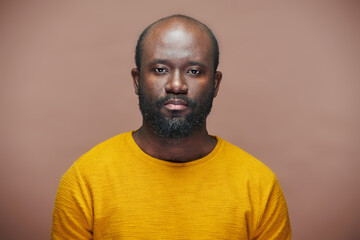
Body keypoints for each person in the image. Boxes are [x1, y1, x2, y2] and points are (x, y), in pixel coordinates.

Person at [52, 14, 291, 239]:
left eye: (194, 71)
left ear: (215, 84)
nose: (176, 85)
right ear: (137, 80)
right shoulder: (85, 181)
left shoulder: (260, 185)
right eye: (160, 70)